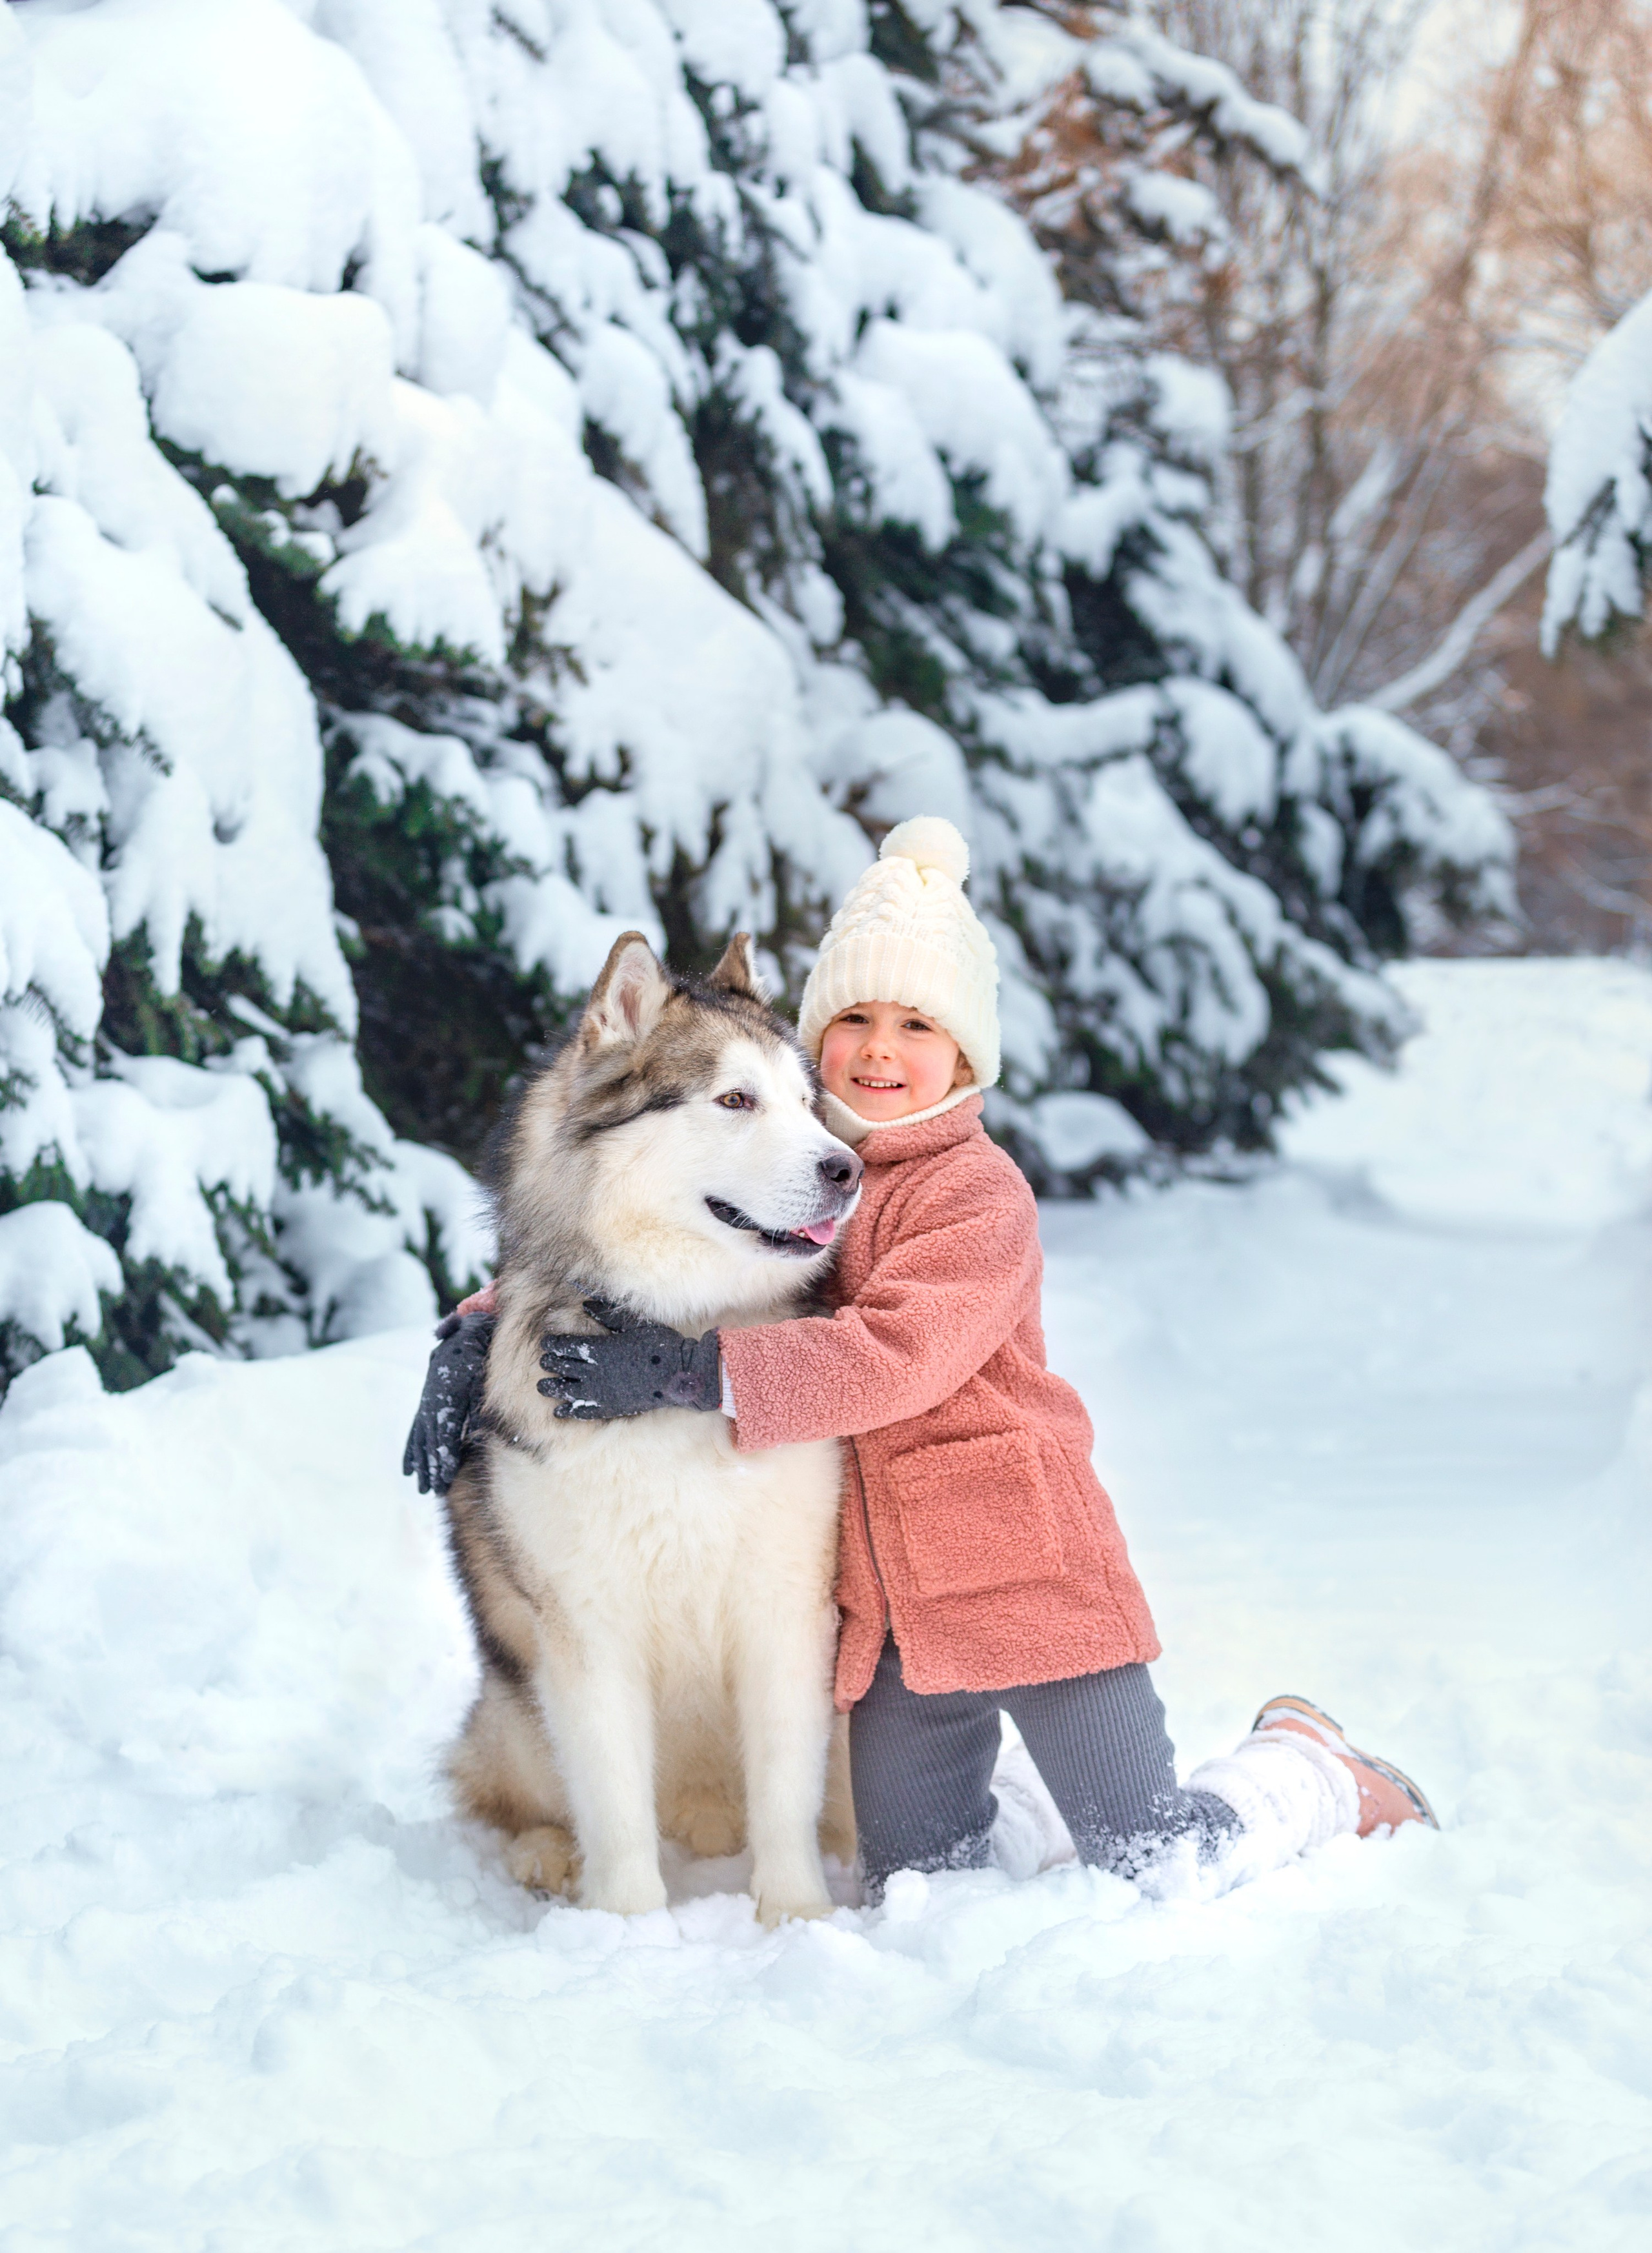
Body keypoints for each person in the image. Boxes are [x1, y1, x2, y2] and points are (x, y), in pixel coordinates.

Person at [406, 816, 1435, 1899]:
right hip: (893, 1625)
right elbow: (615, 1242)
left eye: (917, 1024)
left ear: (965, 1054)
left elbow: (891, 1354)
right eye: (852, 1020)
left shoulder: (972, 1194)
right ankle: (1035, 1803)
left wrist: (686, 1375)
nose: (881, 1050)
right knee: (924, 1877)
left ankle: (1309, 1772)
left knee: (1154, 1858)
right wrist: (488, 1326)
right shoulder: (809, 1188)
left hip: (1020, 1574)